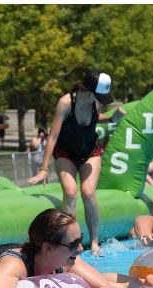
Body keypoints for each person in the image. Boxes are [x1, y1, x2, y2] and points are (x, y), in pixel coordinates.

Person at [27, 70, 121, 256]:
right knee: (70, 192)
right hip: (65, 153)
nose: (101, 98)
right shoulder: (66, 103)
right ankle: (70, 242)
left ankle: (94, 242)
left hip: (90, 152)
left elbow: (94, 118)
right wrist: (43, 168)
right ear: (87, 89)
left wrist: (110, 118)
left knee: (88, 192)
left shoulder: (97, 101)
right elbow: (53, 136)